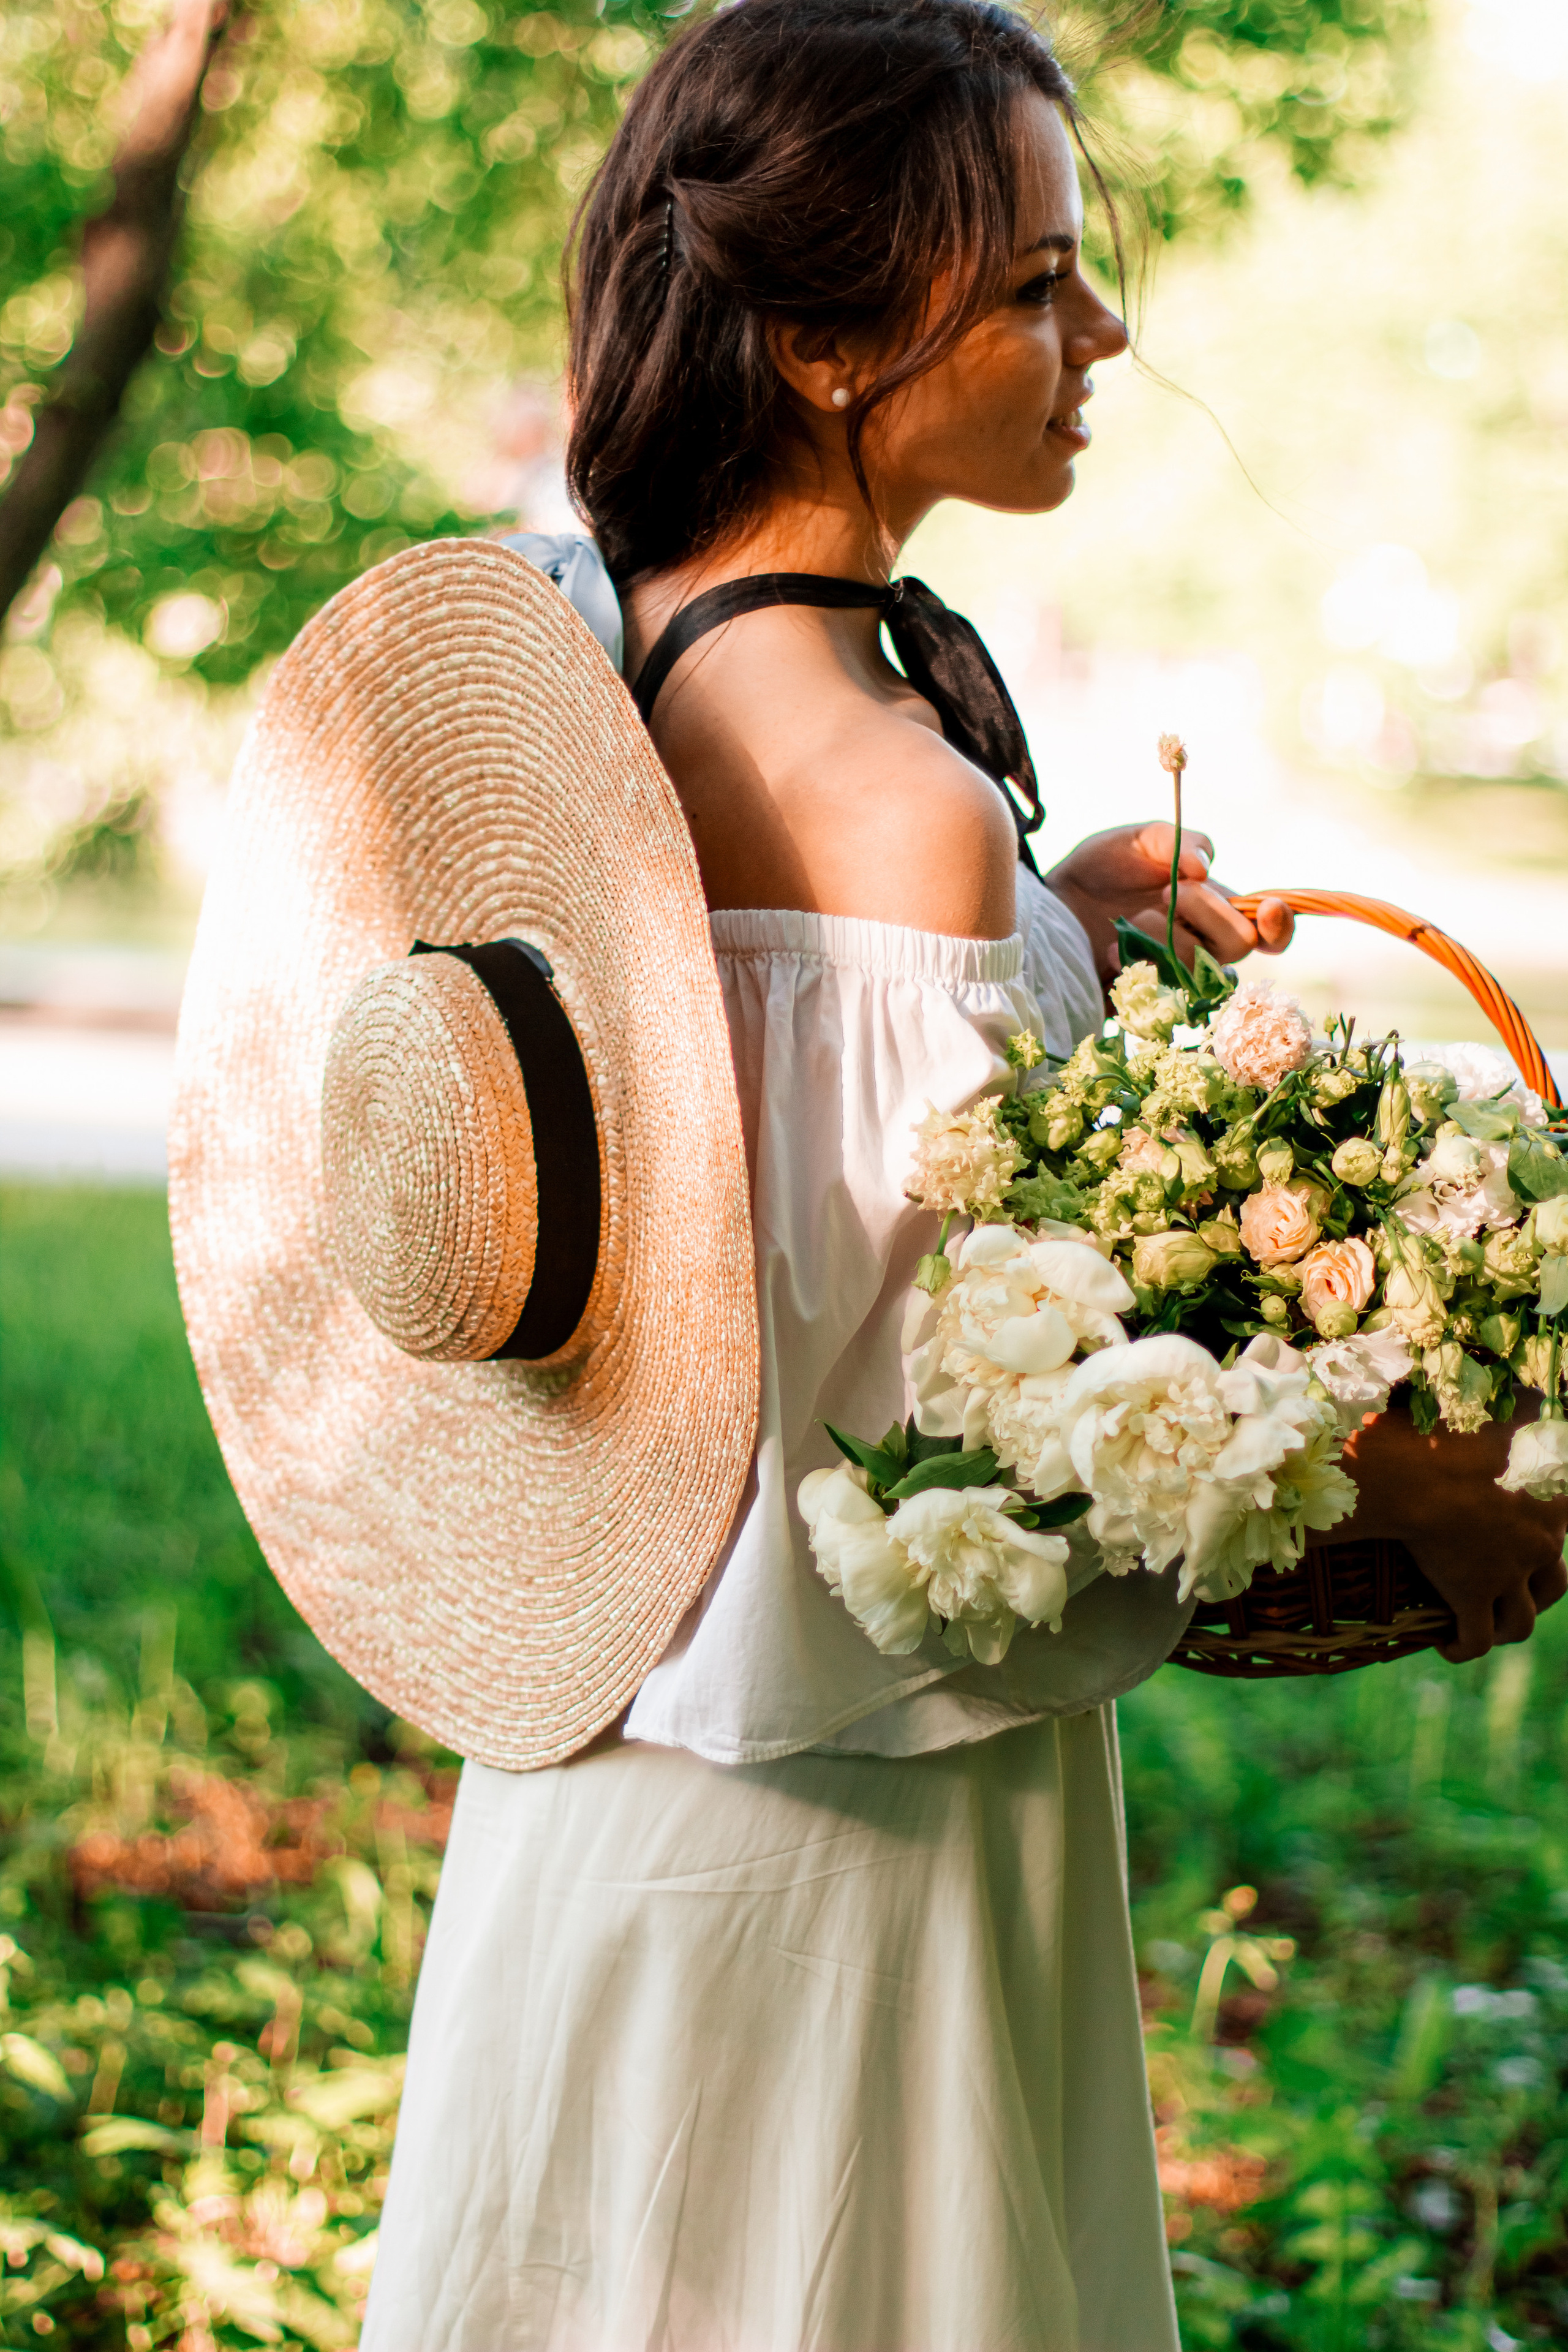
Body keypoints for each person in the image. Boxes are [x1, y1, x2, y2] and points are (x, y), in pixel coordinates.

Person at [361, 3, 1567, 2345]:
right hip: (853, 1844)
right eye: (1030, 281)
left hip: (612, 1770)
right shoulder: (895, 798)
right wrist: (1413, 1494)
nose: (1098, 326)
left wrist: (1055, 927)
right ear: (824, 341)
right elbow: (955, 1476)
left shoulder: (616, 674)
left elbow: (753, 1159)